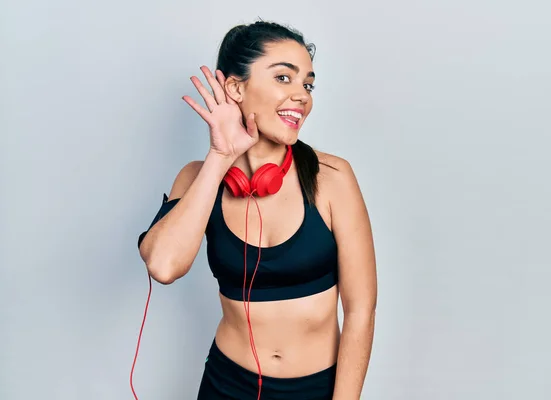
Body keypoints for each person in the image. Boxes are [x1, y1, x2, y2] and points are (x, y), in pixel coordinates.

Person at [136, 20, 377, 400]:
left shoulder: (333, 177)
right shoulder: (199, 179)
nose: (302, 96)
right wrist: (219, 158)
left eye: (307, 84)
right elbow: (163, 267)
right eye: (284, 78)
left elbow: (361, 310)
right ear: (235, 88)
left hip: (315, 389)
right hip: (225, 385)